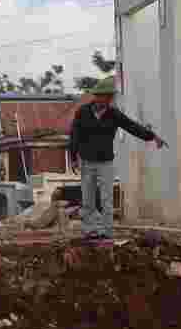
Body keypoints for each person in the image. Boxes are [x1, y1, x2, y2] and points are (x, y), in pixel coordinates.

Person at [64, 78, 165, 243]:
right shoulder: (82, 112)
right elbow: (74, 135)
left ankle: (107, 231)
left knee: (106, 198)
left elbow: (132, 126)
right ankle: (90, 230)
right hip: (87, 161)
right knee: (88, 198)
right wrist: (73, 157)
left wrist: (152, 136)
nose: (108, 100)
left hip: (105, 162)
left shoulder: (113, 114)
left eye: (110, 97)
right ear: (97, 96)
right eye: (106, 97)